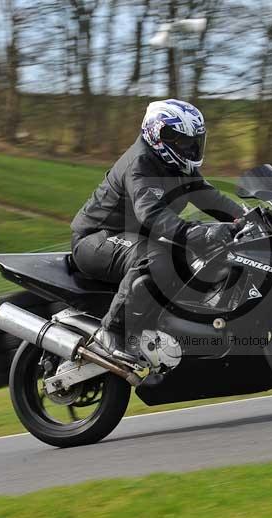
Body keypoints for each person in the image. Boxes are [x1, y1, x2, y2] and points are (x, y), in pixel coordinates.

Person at [70, 99, 243, 364]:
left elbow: (209, 197)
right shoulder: (140, 163)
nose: (192, 147)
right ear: (160, 134)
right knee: (156, 256)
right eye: (185, 141)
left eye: (196, 141)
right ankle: (113, 333)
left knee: (192, 253)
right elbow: (150, 213)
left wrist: (244, 217)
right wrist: (195, 233)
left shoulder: (178, 166)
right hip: (97, 238)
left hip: (132, 236)